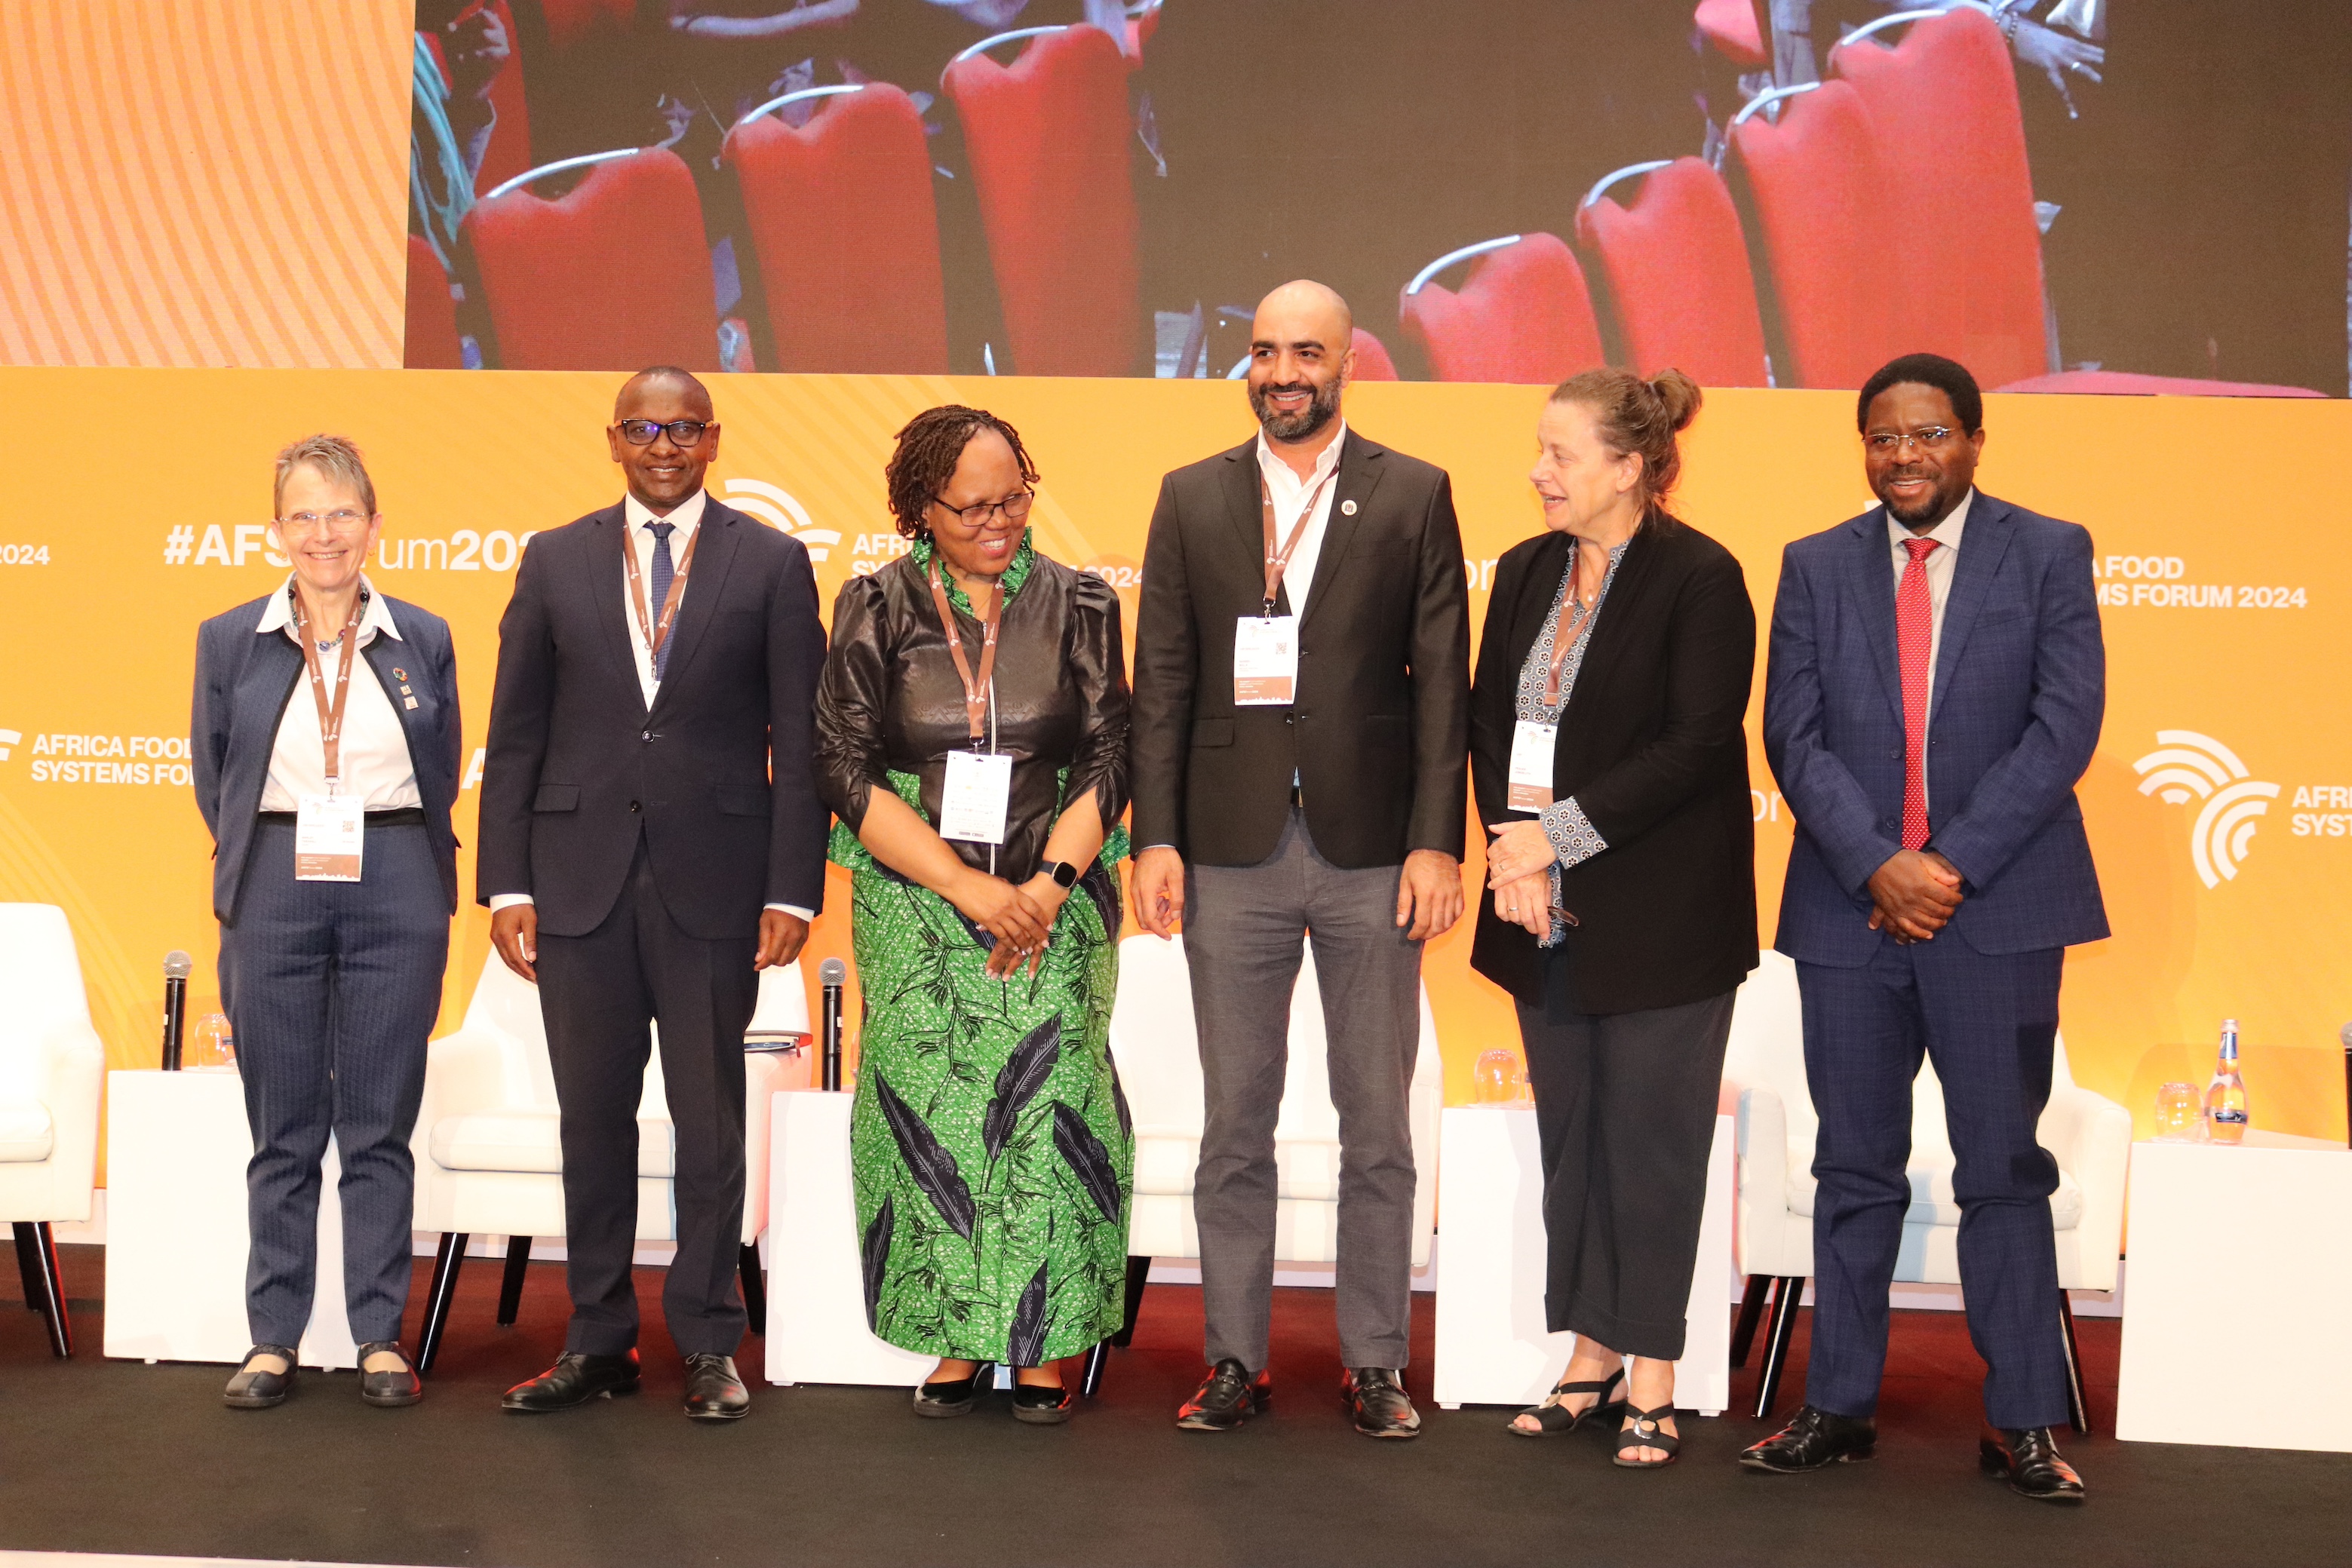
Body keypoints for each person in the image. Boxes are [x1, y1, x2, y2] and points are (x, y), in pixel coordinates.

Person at [1747, 353, 2105, 1502]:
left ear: (1973, 438)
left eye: (1928, 434)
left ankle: (2022, 1425)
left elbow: (2064, 726)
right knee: (1854, 1166)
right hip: (1851, 916)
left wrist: (1944, 867)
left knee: (2002, 1169)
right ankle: (1838, 1405)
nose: (1904, 455)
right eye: (1883, 437)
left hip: (1995, 912)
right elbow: (1791, 739)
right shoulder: (1811, 566)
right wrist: (1877, 866)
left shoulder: (2046, 551)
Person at [1130, 280, 1469, 1439]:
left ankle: (1375, 1359)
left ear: (1346, 364)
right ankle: (1234, 1357)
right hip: (1225, 851)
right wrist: (1156, 835)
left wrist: (1437, 841)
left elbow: (1443, 691)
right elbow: (1161, 681)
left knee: (1376, 1123)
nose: (1283, 372)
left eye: (1306, 352)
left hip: (1375, 851)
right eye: (1265, 351)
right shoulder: (1189, 497)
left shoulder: (1415, 493)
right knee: (1236, 1124)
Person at [479, 367, 828, 1422]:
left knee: (710, 1122)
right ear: (613, 440)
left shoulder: (769, 564)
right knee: (591, 1121)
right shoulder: (554, 560)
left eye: (683, 428)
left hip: (717, 885)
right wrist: (505, 881)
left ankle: (710, 1342)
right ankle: (596, 1341)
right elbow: (518, 736)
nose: (663, 444)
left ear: (713, 441)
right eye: (644, 427)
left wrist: (793, 889)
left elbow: (800, 744)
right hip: (576, 883)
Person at [815, 404, 1133, 1425]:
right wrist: (967, 889)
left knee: (1052, 1112)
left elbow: (1108, 756)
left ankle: (1045, 1339)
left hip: (1056, 900)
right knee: (936, 1119)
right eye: (971, 508)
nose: (998, 523)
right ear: (920, 510)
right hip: (918, 909)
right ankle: (957, 1331)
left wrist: (1042, 889)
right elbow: (844, 766)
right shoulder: (874, 604)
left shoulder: (1080, 603)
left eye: (1014, 499)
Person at [1469, 369, 1758, 1468]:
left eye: (1560, 454)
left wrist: (1558, 838)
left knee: (1652, 1147)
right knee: (1572, 1143)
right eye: (1539, 451)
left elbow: (1693, 744)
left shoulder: (1698, 578)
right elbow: (1489, 722)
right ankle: (1586, 1356)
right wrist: (1512, 849)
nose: (1538, 472)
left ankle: (1654, 1373)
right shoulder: (1529, 569)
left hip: (1661, 916)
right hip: (1532, 903)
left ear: (1630, 468)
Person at [192, 435, 463, 1411]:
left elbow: (443, 762)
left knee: (379, 1124)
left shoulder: (421, 635)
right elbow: (212, 768)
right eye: (303, 516)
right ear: (274, 532)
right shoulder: (231, 639)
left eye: (341, 513)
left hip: (394, 877)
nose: (323, 534)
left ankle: (376, 1337)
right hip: (274, 877)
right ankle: (272, 1339)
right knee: (284, 1126)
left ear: (375, 526)